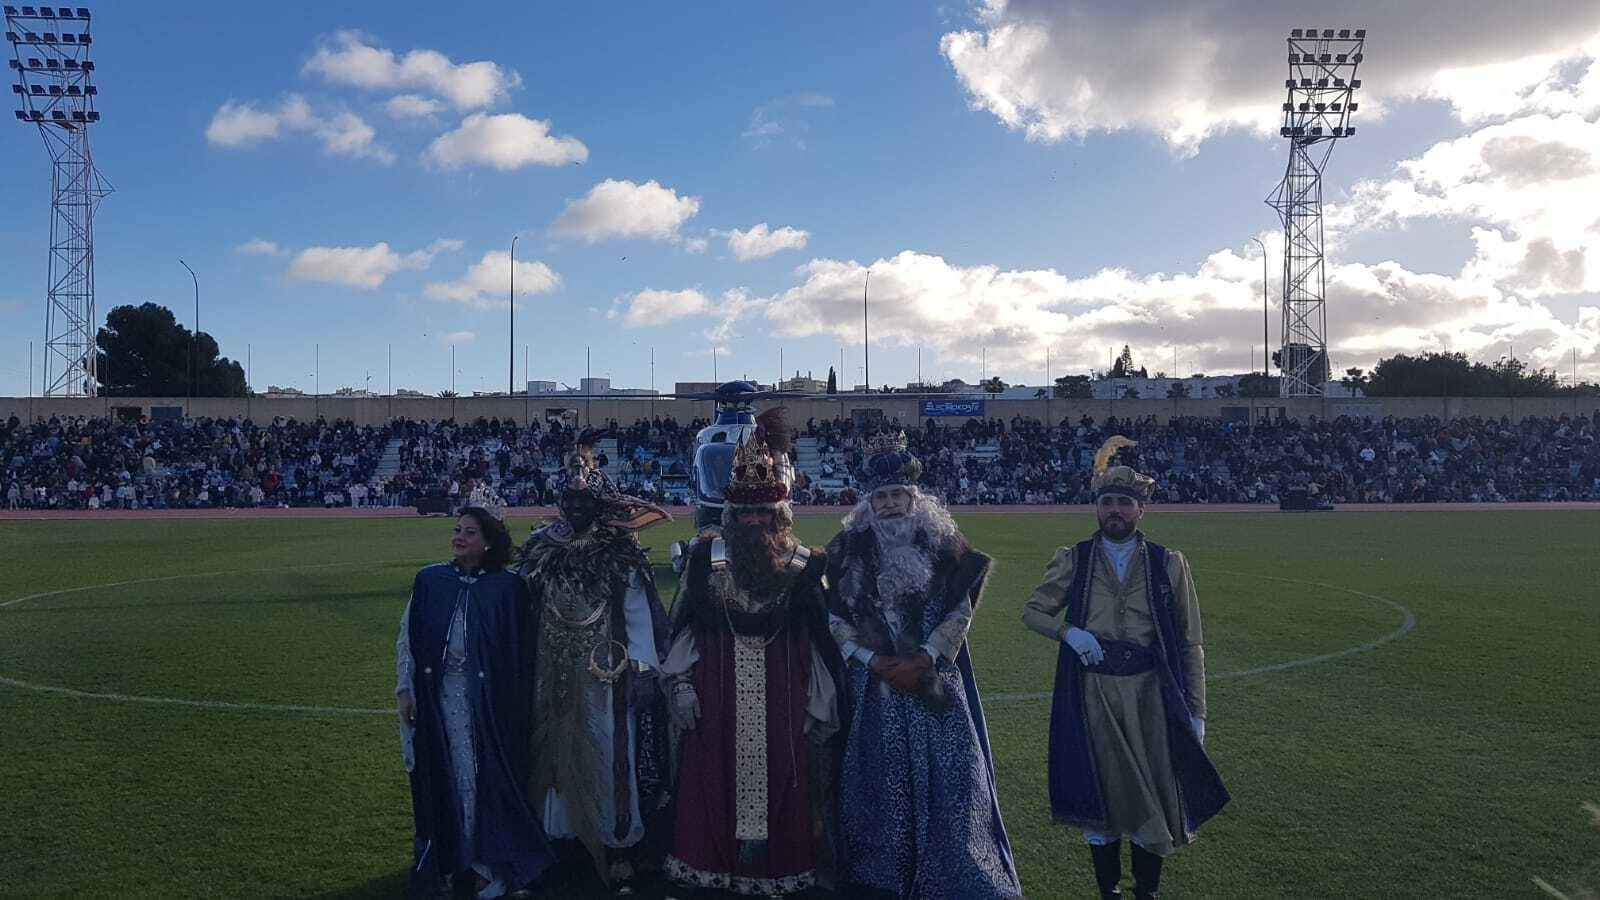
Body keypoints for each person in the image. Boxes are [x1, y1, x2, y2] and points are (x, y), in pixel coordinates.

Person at [1022, 437, 1229, 900]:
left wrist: (1197, 713)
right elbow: (1032, 612)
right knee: (1102, 791)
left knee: (1155, 791)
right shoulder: (1073, 558)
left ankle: (1146, 892)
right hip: (1093, 694)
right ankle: (1108, 890)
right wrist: (1069, 634)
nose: (1115, 510)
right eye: (1107, 502)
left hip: (1151, 695)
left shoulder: (1168, 564)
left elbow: (1191, 641)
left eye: (1125, 503)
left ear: (1141, 510)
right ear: (1097, 507)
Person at [824, 432, 1022, 900]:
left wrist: (926, 656)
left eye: (899, 495)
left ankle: (953, 871)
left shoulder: (944, 543)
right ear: (868, 502)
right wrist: (870, 659)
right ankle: (881, 872)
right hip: (875, 687)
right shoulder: (846, 548)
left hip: (935, 686)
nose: (891, 504)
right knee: (876, 781)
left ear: (915, 498)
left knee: (953, 787)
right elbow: (834, 616)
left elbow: (960, 610)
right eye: (882, 496)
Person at [661, 409, 844, 897]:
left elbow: (820, 638)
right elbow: (685, 626)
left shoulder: (806, 566)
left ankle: (778, 870)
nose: (753, 520)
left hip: (784, 702)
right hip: (714, 698)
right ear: (731, 514)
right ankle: (710, 866)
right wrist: (679, 683)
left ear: (780, 513)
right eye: (744, 512)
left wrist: (819, 700)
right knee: (709, 781)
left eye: (763, 511)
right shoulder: (705, 558)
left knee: (789, 781)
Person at [517, 439, 673, 896]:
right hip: (549, 667)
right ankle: (557, 838)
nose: (575, 508)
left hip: (605, 672)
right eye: (569, 500)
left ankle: (617, 843)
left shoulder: (619, 549)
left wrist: (642, 665)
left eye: (585, 500)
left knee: (608, 752)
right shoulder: (542, 546)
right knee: (548, 746)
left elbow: (640, 609)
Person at [396, 505, 555, 899]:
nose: (459, 537)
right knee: (445, 775)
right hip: (440, 700)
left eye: (469, 532)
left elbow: (520, 651)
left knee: (488, 778)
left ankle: (492, 863)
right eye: (456, 530)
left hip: (491, 705)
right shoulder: (431, 581)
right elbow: (407, 638)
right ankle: (450, 861)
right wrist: (406, 689)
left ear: (487, 543)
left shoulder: (508, 587)